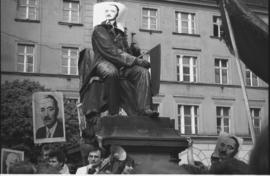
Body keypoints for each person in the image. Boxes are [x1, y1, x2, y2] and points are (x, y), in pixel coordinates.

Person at [80, 2, 159, 119]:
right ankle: (113, 112)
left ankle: (145, 109)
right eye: (107, 11)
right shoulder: (99, 30)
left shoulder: (121, 33)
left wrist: (135, 53)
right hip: (103, 62)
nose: (109, 13)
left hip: (122, 66)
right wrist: (136, 61)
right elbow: (110, 50)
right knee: (111, 73)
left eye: (112, 11)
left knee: (143, 72)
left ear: (117, 14)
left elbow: (126, 53)